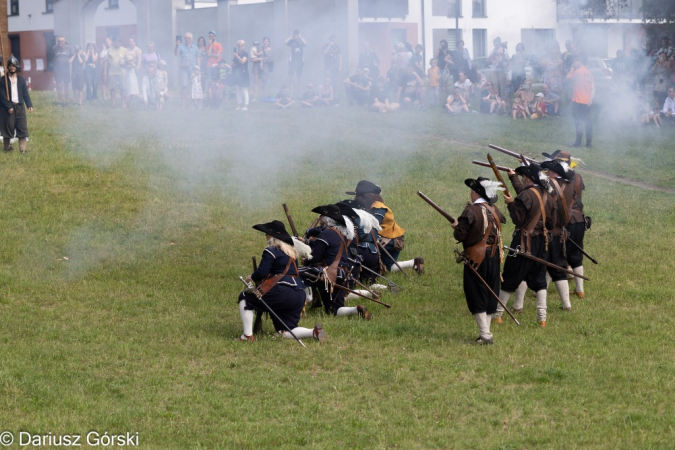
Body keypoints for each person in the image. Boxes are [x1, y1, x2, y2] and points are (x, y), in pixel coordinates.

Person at [237, 220, 326, 343]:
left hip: (281, 291)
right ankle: (313, 332)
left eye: (267, 233)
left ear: (272, 236)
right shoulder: (292, 253)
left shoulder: (271, 251)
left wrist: (251, 277)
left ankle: (247, 336)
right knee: (285, 331)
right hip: (299, 294)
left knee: (244, 297)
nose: (265, 236)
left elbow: (262, 273)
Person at [494, 164, 557, 327]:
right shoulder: (548, 197)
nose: (522, 178)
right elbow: (552, 223)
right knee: (540, 281)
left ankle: (497, 314)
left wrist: (510, 203)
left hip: (523, 242)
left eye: (524, 176)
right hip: (541, 243)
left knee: (509, 277)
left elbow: (518, 219)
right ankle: (542, 318)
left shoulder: (527, 195)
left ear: (529, 178)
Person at [451, 178, 506, 345]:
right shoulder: (494, 209)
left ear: (475, 193)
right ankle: (485, 333)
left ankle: (486, 335)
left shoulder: (472, 211)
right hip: (494, 256)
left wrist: (457, 226)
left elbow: (459, 235)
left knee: (477, 293)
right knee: (489, 293)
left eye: (472, 191)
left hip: (477, 257)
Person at [300, 204, 372, 320]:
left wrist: (306, 261)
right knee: (333, 309)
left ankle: (307, 299)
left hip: (328, 273)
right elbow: (325, 248)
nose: (320, 219)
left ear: (326, 219)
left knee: (297, 273)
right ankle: (355, 310)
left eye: (322, 217)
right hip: (342, 274)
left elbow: (315, 257)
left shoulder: (326, 234)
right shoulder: (340, 234)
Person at [347, 180, 424, 274]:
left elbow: (373, 224)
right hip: (380, 236)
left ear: (366, 196)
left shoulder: (378, 207)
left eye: (359, 196)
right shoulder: (369, 206)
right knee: (386, 267)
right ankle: (413, 263)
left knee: (381, 266)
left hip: (391, 239)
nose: (357, 198)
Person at [543, 150, 587, 299]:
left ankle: (541, 288)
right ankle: (580, 290)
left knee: (556, 256)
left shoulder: (558, 180)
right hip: (580, 220)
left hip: (565, 221)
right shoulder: (577, 177)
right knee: (575, 255)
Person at [0, 57, 33, 154]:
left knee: (22, 127)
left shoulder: (21, 80)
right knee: (8, 127)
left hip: (19, 107)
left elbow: (25, 93)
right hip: (8, 107)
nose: (12, 68)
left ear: (17, 67)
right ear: (8, 67)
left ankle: (22, 150)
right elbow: (1, 96)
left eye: (14, 66)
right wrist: (8, 106)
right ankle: (7, 148)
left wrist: (29, 105)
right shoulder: (3, 80)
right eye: (10, 66)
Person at [566, 54, 595, 148]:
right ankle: (589, 143)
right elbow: (593, 88)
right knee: (588, 122)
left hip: (577, 100)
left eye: (575, 61)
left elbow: (567, 78)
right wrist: (590, 99)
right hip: (586, 101)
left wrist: (572, 69)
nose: (574, 62)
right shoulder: (589, 73)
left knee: (578, 122)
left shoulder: (577, 72)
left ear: (579, 61)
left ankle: (578, 143)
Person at [174, 32, 200, 106]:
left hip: (193, 69)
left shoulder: (195, 48)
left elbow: (198, 58)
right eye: (185, 38)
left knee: (194, 85)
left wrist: (198, 68)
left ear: (191, 39)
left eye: (188, 38)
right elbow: (176, 54)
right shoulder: (181, 46)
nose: (186, 39)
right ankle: (183, 103)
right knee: (184, 86)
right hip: (184, 69)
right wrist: (176, 46)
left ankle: (194, 103)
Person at [52, 36, 73, 106]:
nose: (60, 43)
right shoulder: (54, 48)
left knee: (66, 86)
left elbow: (72, 56)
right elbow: (52, 58)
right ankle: (60, 101)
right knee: (59, 86)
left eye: (61, 41)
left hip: (66, 70)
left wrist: (69, 61)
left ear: (64, 41)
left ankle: (67, 101)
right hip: (58, 70)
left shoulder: (69, 48)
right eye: (59, 41)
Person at [107, 37, 127, 107]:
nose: (116, 43)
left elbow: (127, 62)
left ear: (120, 43)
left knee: (123, 88)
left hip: (122, 72)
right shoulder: (109, 50)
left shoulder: (124, 50)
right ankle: (113, 103)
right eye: (115, 42)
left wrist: (124, 63)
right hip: (112, 72)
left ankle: (123, 103)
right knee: (113, 88)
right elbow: (107, 61)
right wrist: (104, 72)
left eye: (118, 42)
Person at [285, 30, 306, 96]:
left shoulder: (301, 41)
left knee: (299, 79)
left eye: (297, 34)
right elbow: (285, 42)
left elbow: (305, 44)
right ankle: (291, 94)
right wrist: (291, 36)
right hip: (292, 62)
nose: (296, 36)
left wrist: (300, 37)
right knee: (292, 80)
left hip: (300, 62)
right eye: (295, 34)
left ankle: (299, 94)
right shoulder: (292, 41)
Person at [232, 40, 250, 111]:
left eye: (241, 45)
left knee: (244, 90)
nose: (240, 47)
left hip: (243, 73)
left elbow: (243, 61)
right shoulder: (236, 54)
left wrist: (237, 56)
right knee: (237, 89)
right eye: (239, 45)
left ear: (244, 46)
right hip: (237, 73)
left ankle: (246, 105)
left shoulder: (245, 54)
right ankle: (239, 104)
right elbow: (233, 63)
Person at [125, 37, 142, 108]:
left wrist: (136, 68)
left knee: (133, 87)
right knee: (128, 87)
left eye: (131, 42)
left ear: (135, 42)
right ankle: (128, 103)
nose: (130, 43)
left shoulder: (138, 50)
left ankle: (142, 102)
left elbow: (139, 60)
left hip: (133, 70)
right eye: (129, 42)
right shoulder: (126, 50)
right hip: (126, 70)